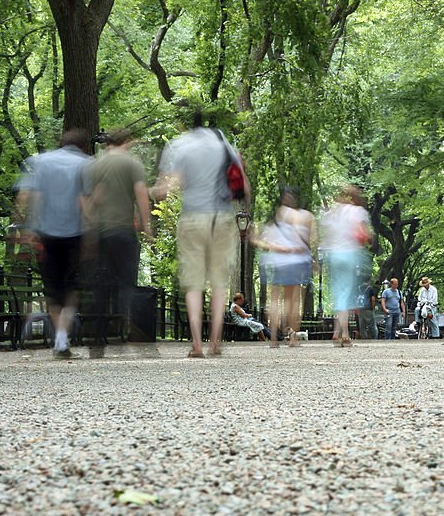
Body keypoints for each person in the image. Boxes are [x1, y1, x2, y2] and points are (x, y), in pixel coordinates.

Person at [152, 110, 250, 358]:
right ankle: (215, 342)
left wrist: (154, 191)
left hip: (192, 218)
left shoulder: (179, 146)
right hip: (222, 218)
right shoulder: (222, 142)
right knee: (219, 282)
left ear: (186, 124)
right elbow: (243, 183)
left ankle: (197, 344)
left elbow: (170, 187)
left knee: (194, 283)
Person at [16, 128, 93, 359]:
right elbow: (85, 201)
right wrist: (93, 230)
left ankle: (60, 340)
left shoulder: (40, 162)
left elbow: (26, 195)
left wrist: (28, 227)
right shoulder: (87, 164)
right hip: (75, 234)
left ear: (62, 143)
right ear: (84, 146)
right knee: (71, 287)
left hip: (45, 234)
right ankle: (61, 337)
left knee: (52, 288)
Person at [80, 128, 153, 359]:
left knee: (100, 285)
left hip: (101, 233)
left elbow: (86, 199)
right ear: (127, 141)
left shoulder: (94, 166)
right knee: (126, 284)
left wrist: (89, 223)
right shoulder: (132, 164)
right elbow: (141, 193)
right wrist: (147, 225)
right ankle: (131, 333)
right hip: (123, 231)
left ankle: (97, 339)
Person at [253, 186, 312, 348]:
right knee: (292, 301)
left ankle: (273, 336)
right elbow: (307, 242)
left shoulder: (276, 219)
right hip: (294, 262)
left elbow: (266, 241)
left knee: (274, 298)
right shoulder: (303, 217)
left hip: (277, 261)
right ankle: (292, 337)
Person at [321, 185, 371, 347]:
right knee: (345, 294)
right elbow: (364, 234)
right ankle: (344, 333)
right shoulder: (357, 212)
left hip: (334, 255)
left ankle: (337, 330)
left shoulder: (332, 214)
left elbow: (326, 237)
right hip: (350, 254)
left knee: (339, 293)